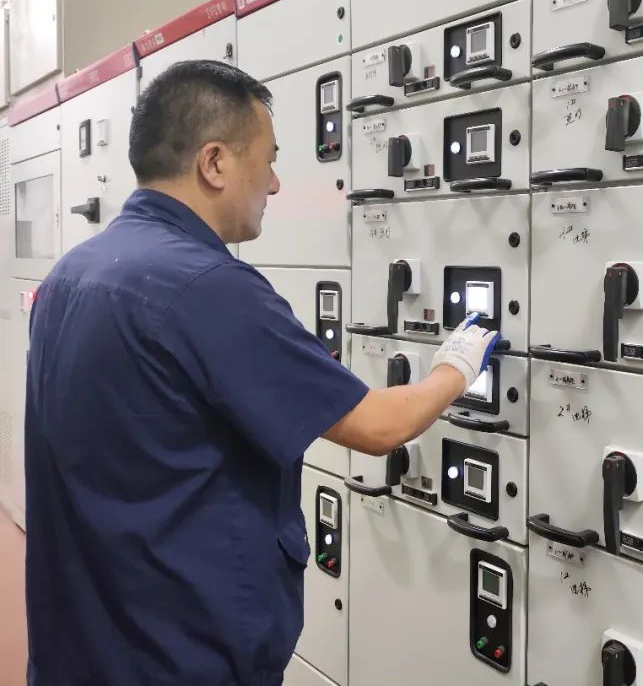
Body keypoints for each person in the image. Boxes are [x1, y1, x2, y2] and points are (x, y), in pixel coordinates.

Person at [23, 59, 500, 685]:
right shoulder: (208, 287)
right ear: (214, 162)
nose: (274, 184)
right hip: (177, 657)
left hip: (82, 648)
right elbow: (378, 427)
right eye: (268, 160)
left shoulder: (71, 274)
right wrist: (456, 366)